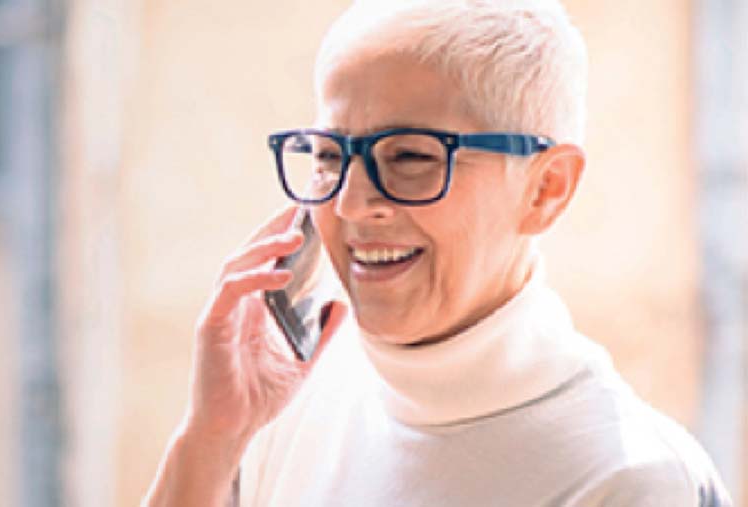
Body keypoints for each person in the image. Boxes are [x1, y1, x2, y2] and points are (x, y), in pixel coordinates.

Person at [143, 1, 733, 505]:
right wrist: (212, 440)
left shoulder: (630, 478)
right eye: (329, 156)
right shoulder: (287, 405)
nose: (350, 204)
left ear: (545, 189)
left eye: (410, 158)